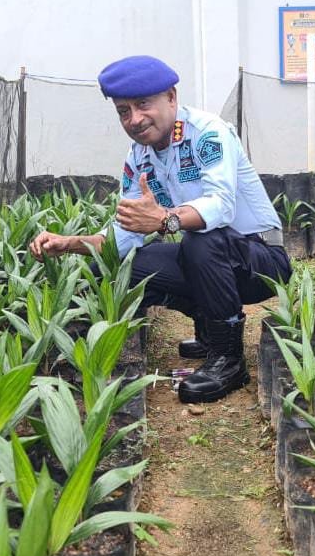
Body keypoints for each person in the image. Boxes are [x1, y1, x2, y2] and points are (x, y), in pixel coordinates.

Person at [29, 55, 291, 403]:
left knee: (202, 241)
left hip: (261, 259)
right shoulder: (139, 157)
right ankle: (208, 327)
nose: (134, 119)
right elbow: (125, 236)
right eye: (123, 111)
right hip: (211, 261)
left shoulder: (208, 133)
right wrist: (71, 243)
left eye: (143, 104)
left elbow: (221, 206)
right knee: (125, 265)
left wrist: (165, 219)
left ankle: (228, 359)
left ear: (171, 97)